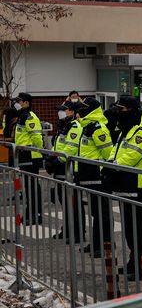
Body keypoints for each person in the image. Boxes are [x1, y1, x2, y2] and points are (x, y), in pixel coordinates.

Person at [104, 96, 142, 278]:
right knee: (129, 228)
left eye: (122, 109)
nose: (119, 112)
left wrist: (113, 166)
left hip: (137, 183)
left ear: (132, 109)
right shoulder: (126, 129)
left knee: (139, 228)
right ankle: (134, 261)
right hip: (124, 182)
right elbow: (115, 149)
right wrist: (109, 164)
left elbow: (133, 156)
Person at [75, 98, 115, 258]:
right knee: (96, 213)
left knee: (102, 213)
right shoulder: (87, 126)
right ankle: (96, 243)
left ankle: (105, 245)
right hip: (88, 176)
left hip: (97, 176)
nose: (81, 110)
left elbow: (108, 152)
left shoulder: (98, 128)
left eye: (85, 108)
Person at [45, 101, 84, 242]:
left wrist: (57, 161)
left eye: (64, 110)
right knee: (64, 202)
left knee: (73, 203)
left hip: (69, 169)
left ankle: (77, 233)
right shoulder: (63, 126)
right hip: (61, 169)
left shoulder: (75, 127)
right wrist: (50, 158)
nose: (60, 112)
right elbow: (58, 146)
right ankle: (67, 229)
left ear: (72, 112)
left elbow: (71, 148)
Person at [14, 93, 44, 225]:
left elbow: (37, 138)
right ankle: (30, 212)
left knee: (32, 186)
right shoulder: (22, 116)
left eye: (19, 101)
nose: (17, 104)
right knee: (28, 186)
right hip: (24, 154)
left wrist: (36, 150)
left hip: (31, 155)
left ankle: (35, 214)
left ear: (26, 103)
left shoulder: (30, 117)